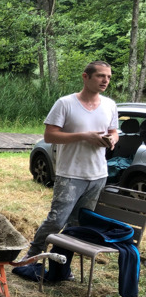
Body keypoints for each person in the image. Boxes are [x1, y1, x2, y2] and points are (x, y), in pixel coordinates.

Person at [24, 61, 119, 259]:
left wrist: (112, 140)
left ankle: (62, 263)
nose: (106, 80)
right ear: (86, 77)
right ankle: (33, 255)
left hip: (98, 175)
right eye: (101, 76)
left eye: (109, 77)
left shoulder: (110, 105)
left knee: (77, 224)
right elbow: (49, 136)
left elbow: (113, 131)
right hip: (70, 174)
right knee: (57, 221)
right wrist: (84, 136)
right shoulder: (65, 103)